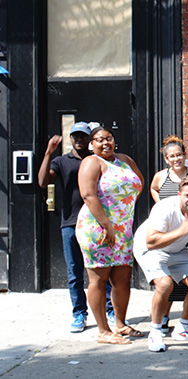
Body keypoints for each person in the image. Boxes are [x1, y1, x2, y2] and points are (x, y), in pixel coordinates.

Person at [38, 121, 114, 333]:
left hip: (97, 223)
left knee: (102, 269)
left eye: (83, 136)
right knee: (75, 272)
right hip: (71, 223)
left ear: (90, 139)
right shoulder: (62, 161)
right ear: (71, 138)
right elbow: (43, 182)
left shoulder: (100, 160)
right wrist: (47, 154)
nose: (79, 139)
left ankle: (109, 309)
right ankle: (79, 313)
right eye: (75, 136)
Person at [133, 176, 188, 352]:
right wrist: (181, 230)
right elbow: (151, 242)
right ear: (179, 194)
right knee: (165, 285)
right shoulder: (164, 208)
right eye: (187, 195)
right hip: (150, 250)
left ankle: (184, 327)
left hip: (177, 251)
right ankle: (156, 331)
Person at [76, 126, 144, 344]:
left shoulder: (124, 159)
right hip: (98, 228)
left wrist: (122, 207)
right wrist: (107, 225)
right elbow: (88, 194)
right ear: (91, 144)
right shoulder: (91, 162)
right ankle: (103, 330)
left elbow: (139, 184)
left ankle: (120, 324)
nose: (105, 143)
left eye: (109, 138)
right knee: (99, 278)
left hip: (123, 228)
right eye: (99, 140)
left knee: (122, 280)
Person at [149, 135, 188, 332]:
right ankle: (164, 317)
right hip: (169, 235)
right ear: (167, 159)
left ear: (185, 156)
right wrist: (160, 204)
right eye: (172, 156)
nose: (176, 159)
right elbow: (153, 188)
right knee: (167, 280)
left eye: (179, 155)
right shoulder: (161, 176)